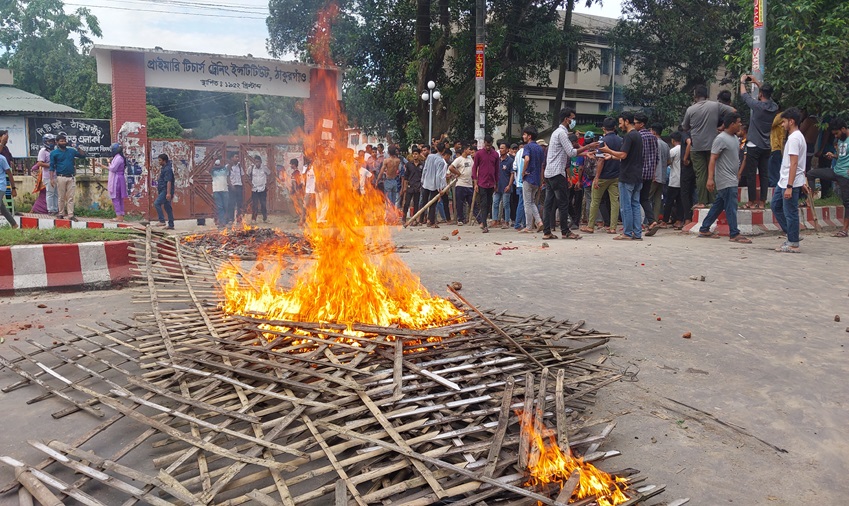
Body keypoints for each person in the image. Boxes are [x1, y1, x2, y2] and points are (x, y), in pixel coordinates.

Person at [697, 113, 752, 243]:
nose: (740, 125)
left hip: (731, 178)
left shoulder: (734, 138)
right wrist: (710, 178)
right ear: (732, 124)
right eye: (738, 122)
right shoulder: (720, 139)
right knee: (731, 206)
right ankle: (734, 233)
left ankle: (704, 228)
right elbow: (713, 158)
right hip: (726, 179)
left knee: (719, 204)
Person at [543, 108, 595, 239]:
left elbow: (568, 151)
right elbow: (571, 152)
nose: (573, 121)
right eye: (572, 118)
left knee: (549, 203)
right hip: (557, 172)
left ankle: (547, 231)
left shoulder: (557, 132)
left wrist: (584, 153)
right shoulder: (561, 133)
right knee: (563, 202)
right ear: (567, 119)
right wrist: (588, 147)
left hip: (550, 173)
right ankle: (565, 231)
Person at [682, 84, 736, 207]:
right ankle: (714, 200)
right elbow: (733, 111)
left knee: (701, 174)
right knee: (713, 172)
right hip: (713, 145)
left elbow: (685, 127)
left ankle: (701, 201)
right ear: (707, 95)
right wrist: (722, 127)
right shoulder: (715, 105)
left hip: (696, 146)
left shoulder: (690, 109)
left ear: (695, 97)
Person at [600, 112, 644, 240]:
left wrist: (608, 151)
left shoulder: (629, 136)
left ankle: (627, 232)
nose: (619, 126)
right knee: (635, 204)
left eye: (620, 123)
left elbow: (623, 155)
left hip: (627, 175)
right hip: (637, 175)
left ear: (626, 121)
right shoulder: (638, 135)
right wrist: (612, 156)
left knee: (626, 206)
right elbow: (627, 156)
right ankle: (637, 232)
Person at [771, 108, 808, 253]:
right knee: (775, 205)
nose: (782, 125)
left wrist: (790, 186)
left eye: (784, 122)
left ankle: (793, 242)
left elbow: (794, 163)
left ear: (791, 122)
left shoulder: (794, 139)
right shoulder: (797, 137)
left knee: (790, 211)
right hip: (785, 180)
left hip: (789, 182)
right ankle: (793, 234)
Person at [739, 75, 779, 209]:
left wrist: (742, 81)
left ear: (761, 94)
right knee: (764, 174)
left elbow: (744, 95)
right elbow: (768, 96)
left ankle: (751, 201)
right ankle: (762, 201)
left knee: (751, 174)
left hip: (753, 144)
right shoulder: (774, 107)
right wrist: (757, 82)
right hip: (766, 145)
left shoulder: (757, 106)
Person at [809, 119, 849, 237]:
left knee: (847, 202)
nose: (835, 136)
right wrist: (834, 156)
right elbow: (843, 156)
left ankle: (845, 229)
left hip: (845, 175)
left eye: (837, 133)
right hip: (836, 171)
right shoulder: (841, 140)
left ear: (843, 129)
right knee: (811, 174)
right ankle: (810, 197)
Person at [585, 117, 621, 234]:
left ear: (603, 128)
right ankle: (612, 227)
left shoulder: (603, 141)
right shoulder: (621, 140)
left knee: (595, 200)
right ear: (615, 127)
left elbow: (601, 161)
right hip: (616, 175)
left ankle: (590, 226)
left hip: (603, 175)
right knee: (614, 202)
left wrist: (596, 177)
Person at [49, 132, 87, 221]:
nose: (63, 142)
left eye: (64, 141)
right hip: (60, 177)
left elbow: (83, 155)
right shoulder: (54, 153)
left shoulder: (71, 151)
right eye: (61, 141)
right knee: (61, 197)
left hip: (71, 177)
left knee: (70, 197)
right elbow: (51, 166)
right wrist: (51, 179)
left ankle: (70, 214)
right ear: (57, 142)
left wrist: (77, 147)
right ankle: (61, 213)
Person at [634, 113, 659, 230]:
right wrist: (653, 172)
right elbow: (656, 157)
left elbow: (638, 156)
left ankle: (637, 224)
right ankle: (651, 220)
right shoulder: (653, 137)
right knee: (644, 198)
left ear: (642, 124)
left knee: (633, 199)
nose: (634, 125)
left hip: (638, 172)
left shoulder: (638, 136)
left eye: (635, 123)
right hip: (649, 173)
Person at [471, 135, 499, 232]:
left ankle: (485, 221)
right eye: (486, 145)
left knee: (489, 203)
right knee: (483, 202)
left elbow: (497, 170)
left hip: (491, 183)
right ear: (484, 143)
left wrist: (496, 183)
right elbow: (474, 168)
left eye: (489, 145)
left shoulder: (495, 154)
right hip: (481, 182)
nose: (488, 147)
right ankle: (484, 224)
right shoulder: (479, 154)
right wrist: (475, 183)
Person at [646, 123, 670, 235]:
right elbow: (669, 161)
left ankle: (646, 222)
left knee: (645, 198)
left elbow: (652, 159)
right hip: (662, 176)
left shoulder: (653, 142)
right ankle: (654, 221)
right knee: (657, 201)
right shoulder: (666, 145)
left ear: (654, 132)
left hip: (653, 175)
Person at [520, 127, 545, 233]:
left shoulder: (527, 147)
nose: (523, 136)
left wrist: (523, 171)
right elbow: (542, 165)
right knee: (532, 202)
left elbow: (527, 159)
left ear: (529, 136)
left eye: (525, 134)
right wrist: (541, 179)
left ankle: (528, 226)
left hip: (529, 177)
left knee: (527, 202)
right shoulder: (540, 148)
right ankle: (539, 222)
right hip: (537, 178)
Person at [421, 142, 448, 228]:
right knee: (433, 204)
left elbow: (425, 169)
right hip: (434, 185)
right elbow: (438, 176)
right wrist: (439, 188)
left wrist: (422, 179)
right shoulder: (441, 161)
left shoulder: (429, 156)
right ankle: (431, 221)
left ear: (436, 148)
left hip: (426, 182)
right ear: (443, 150)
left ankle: (420, 219)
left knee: (424, 202)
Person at [662, 132, 685, 229]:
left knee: (669, 201)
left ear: (673, 140)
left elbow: (667, 161)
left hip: (674, 179)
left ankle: (664, 221)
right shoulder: (685, 149)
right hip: (683, 179)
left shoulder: (674, 150)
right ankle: (679, 220)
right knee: (680, 201)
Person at [449, 142, 474, 225]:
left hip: (469, 184)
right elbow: (451, 167)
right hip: (460, 184)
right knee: (460, 203)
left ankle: (478, 219)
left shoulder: (470, 159)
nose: (470, 151)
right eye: (469, 149)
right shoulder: (459, 159)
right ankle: (460, 219)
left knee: (471, 202)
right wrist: (458, 173)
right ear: (464, 150)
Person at [493, 142, 514, 228]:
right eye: (500, 148)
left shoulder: (510, 161)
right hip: (497, 186)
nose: (501, 150)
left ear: (507, 150)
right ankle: (495, 220)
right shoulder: (497, 160)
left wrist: (509, 185)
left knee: (506, 204)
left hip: (506, 186)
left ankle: (506, 221)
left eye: (502, 148)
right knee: (495, 203)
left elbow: (512, 174)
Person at [37, 134, 58, 215]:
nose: (51, 143)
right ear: (45, 142)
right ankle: (50, 209)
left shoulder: (55, 150)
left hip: (57, 174)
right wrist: (50, 165)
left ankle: (56, 209)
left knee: (56, 193)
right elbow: (39, 163)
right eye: (49, 141)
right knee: (50, 193)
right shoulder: (43, 151)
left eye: (52, 141)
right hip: (48, 175)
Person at [402, 146, 424, 224]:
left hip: (418, 187)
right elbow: (406, 177)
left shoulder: (422, 165)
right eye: (413, 154)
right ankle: (403, 218)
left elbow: (423, 176)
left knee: (416, 203)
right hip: (410, 187)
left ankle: (414, 219)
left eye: (416, 154)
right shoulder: (408, 165)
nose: (415, 156)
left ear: (419, 155)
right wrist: (404, 187)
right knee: (406, 203)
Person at [107, 143, 127, 222]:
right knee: (119, 198)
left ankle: (119, 216)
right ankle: (121, 216)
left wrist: (108, 162)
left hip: (116, 180)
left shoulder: (118, 158)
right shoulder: (119, 157)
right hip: (120, 178)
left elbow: (113, 168)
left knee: (115, 198)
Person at [154, 153, 175, 229]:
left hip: (166, 190)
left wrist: (168, 193)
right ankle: (171, 225)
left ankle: (162, 220)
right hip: (163, 190)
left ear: (164, 161)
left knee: (157, 203)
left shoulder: (168, 169)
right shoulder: (164, 168)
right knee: (167, 207)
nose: (159, 162)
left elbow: (169, 181)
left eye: (160, 160)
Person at [249, 155, 270, 223]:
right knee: (255, 205)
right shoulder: (251, 168)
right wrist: (250, 183)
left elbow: (270, 174)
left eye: (258, 162)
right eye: (255, 162)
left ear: (261, 162)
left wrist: (267, 184)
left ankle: (265, 218)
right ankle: (254, 219)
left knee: (263, 204)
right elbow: (247, 176)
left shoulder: (264, 168)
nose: (257, 163)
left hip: (262, 189)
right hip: (254, 189)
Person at [0, 146, 18, 228]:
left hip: (1, 186)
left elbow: (9, 173)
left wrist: (13, 188)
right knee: (2, 207)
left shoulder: (2, 159)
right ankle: (14, 224)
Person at [769, 111, 786, 188]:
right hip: (774, 146)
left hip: (777, 145)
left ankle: (775, 185)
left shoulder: (780, 116)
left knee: (774, 167)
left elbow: (769, 124)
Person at [210, 158, 229, 228]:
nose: (217, 166)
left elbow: (230, 164)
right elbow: (210, 169)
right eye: (216, 165)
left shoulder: (225, 169)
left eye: (218, 164)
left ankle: (225, 221)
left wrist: (224, 161)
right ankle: (222, 222)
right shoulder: (213, 171)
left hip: (225, 190)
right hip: (216, 191)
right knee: (220, 207)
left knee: (226, 206)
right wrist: (213, 161)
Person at [227, 153, 245, 225]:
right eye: (236, 157)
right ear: (231, 158)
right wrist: (231, 186)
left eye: (238, 157)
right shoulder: (228, 167)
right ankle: (231, 219)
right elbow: (227, 177)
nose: (237, 158)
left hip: (239, 186)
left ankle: (239, 219)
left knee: (239, 203)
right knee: (231, 203)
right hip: (232, 187)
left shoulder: (240, 167)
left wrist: (243, 186)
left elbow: (242, 176)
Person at [513, 142, 526, 230]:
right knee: (523, 203)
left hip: (518, 182)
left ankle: (524, 223)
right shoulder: (528, 152)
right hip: (524, 182)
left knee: (523, 203)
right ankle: (518, 223)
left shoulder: (518, 153)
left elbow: (514, 168)